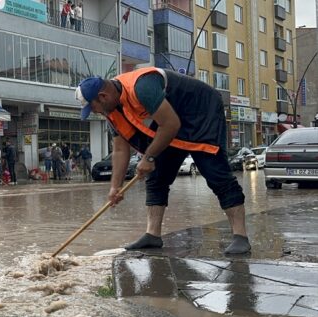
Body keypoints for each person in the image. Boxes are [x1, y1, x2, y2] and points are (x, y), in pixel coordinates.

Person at [75, 67, 250, 254]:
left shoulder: (142, 87)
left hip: (201, 112)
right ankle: (152, 235)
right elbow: (119, 148)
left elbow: (171, 124)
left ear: (103, 97)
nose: (94, 112)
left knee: (216, 173)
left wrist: (149, 157)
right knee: (156, 177)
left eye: (92, 107)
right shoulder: (110, 112)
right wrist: (115, 187)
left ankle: (241, 236)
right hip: (169, 123)